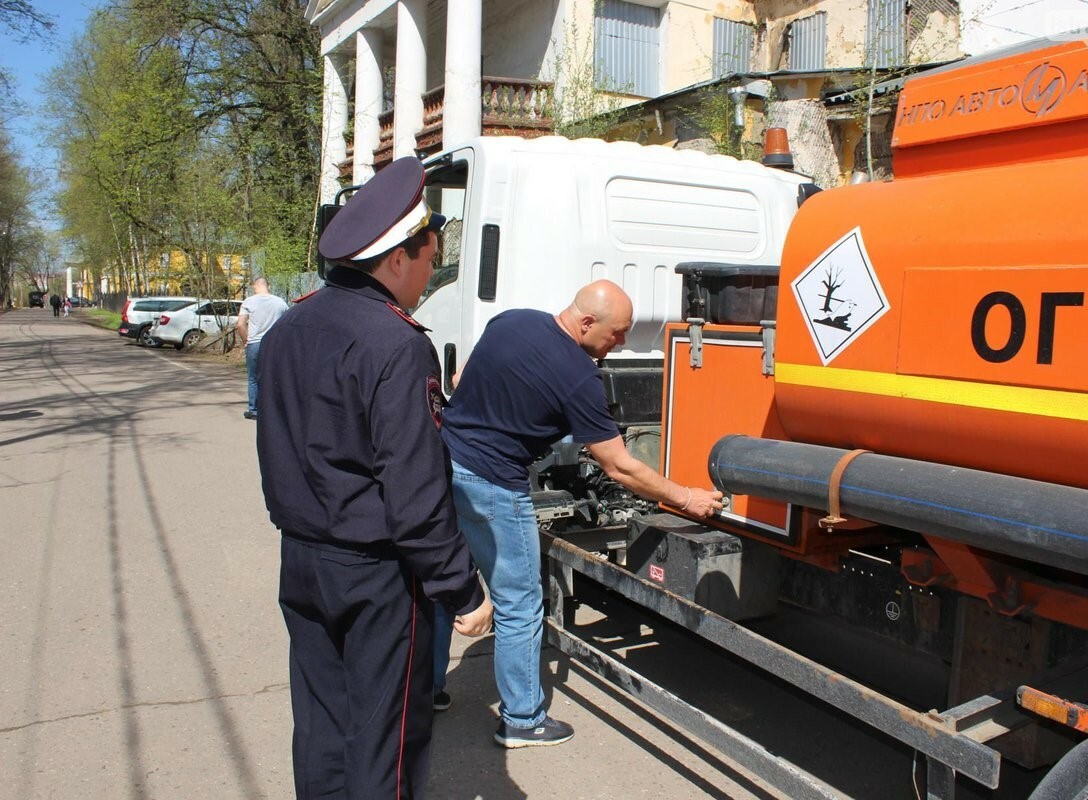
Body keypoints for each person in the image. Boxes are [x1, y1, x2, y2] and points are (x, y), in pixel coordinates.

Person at [255, 156, 493, 800]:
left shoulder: (288, 327)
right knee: (385, 739)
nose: (429, 275)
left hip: (302, 558)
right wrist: (462, 590)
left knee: (323, 725)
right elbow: (415, 493)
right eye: (428, 259)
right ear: (396, 258)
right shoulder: (395, 343)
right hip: (375, 571)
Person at [442, 280, 724, 749]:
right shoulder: (577, 375)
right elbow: (619, 465)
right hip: (492, 484)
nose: (622, 344)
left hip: (445, 463)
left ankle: (430, 690)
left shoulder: (514, 319)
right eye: (617, 334)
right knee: (519, 602)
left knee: (445, 580)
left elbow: (460, 378)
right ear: (587, 322)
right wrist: (686, 498)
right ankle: (522, 719)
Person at [236, 277, 288, 420]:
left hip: (255, 343)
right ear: (268, 286)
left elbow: (240, 325)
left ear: (255, 286)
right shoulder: (280, 302)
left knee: (253, 377)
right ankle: (273, 409)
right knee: (273, 376)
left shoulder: (249, 301)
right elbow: (287, 323)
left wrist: (245, 340)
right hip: (274, 344)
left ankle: (254, 410)